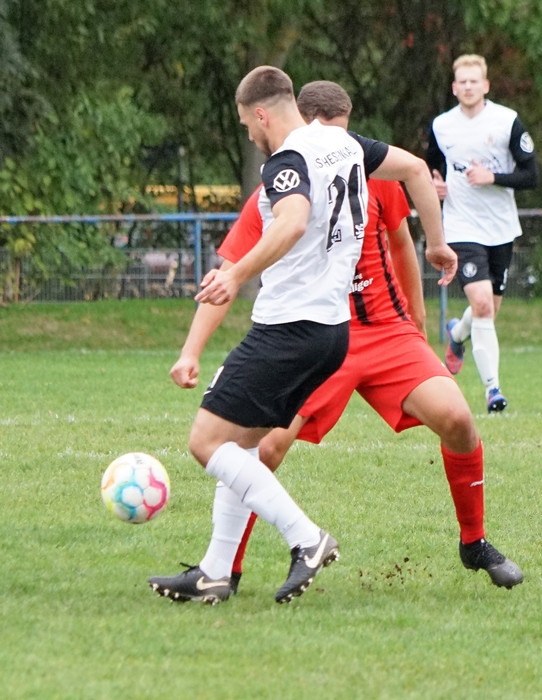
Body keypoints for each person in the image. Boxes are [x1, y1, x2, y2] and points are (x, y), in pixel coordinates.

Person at [157, 81, 522, 605]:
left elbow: (401, 237)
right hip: (328, 333)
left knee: (458, 419)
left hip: (366, 330)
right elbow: (231, 266)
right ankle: (222, 570)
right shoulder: (302, 175)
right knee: (263, 447)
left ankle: (472, 542)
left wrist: (420, 310)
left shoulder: (345, 168)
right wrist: (192, 348)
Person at [148, 66, 372, 605]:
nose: (249, 135)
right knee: (242, 446)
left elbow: (291, 221)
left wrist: (236, 275)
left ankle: (306, 538)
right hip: (330, 328)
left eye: (247, 123)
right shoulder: (343, 145)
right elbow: (403, 167)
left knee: (206, 442)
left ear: (262, 113)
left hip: (289, 327)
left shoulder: (286, 161)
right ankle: (214, 572)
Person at [425, 54, 539, 413]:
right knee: (483, 305)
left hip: (500, 227)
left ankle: (457, 334)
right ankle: (494, 391)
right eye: (462, 81)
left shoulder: (507, 121)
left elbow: (532, 175)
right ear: (454, 87)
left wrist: (493, 178)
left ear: (485, 85)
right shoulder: (442, 125)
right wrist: (435, 184)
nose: (468, 86)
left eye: (474, 81)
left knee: (488, 309)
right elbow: (431, 166)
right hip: (460, 226)